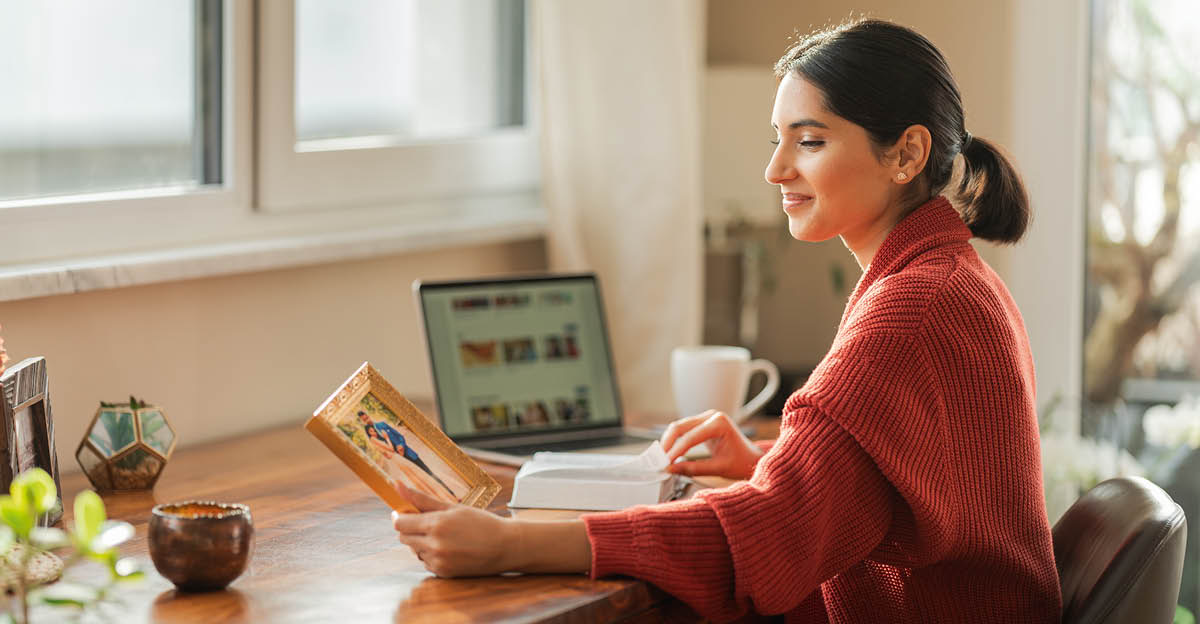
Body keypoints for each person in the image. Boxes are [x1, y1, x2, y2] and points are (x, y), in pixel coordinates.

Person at [390, 18, 1061, 623]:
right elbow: (902, 479)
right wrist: (768, 460)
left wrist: (514, 543)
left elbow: (770, 534)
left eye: (810, 141)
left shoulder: (912, 308)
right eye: (778, 141)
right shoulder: (952, 278)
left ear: (906, 155)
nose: (775, 169)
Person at [357, 411, 457, 499]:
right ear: (363, 421)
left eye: (366, 417)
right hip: (399, 460)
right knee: (417, 479)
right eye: (364, 420)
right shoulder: (372, 438)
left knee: (427, 471)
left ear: (368, 415)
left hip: (407, 453)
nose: (367, 420)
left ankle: (449, 492)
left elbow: (399, 436)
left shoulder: (382, 425)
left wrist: (401, 445)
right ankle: (434, 497)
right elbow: (383, 451)